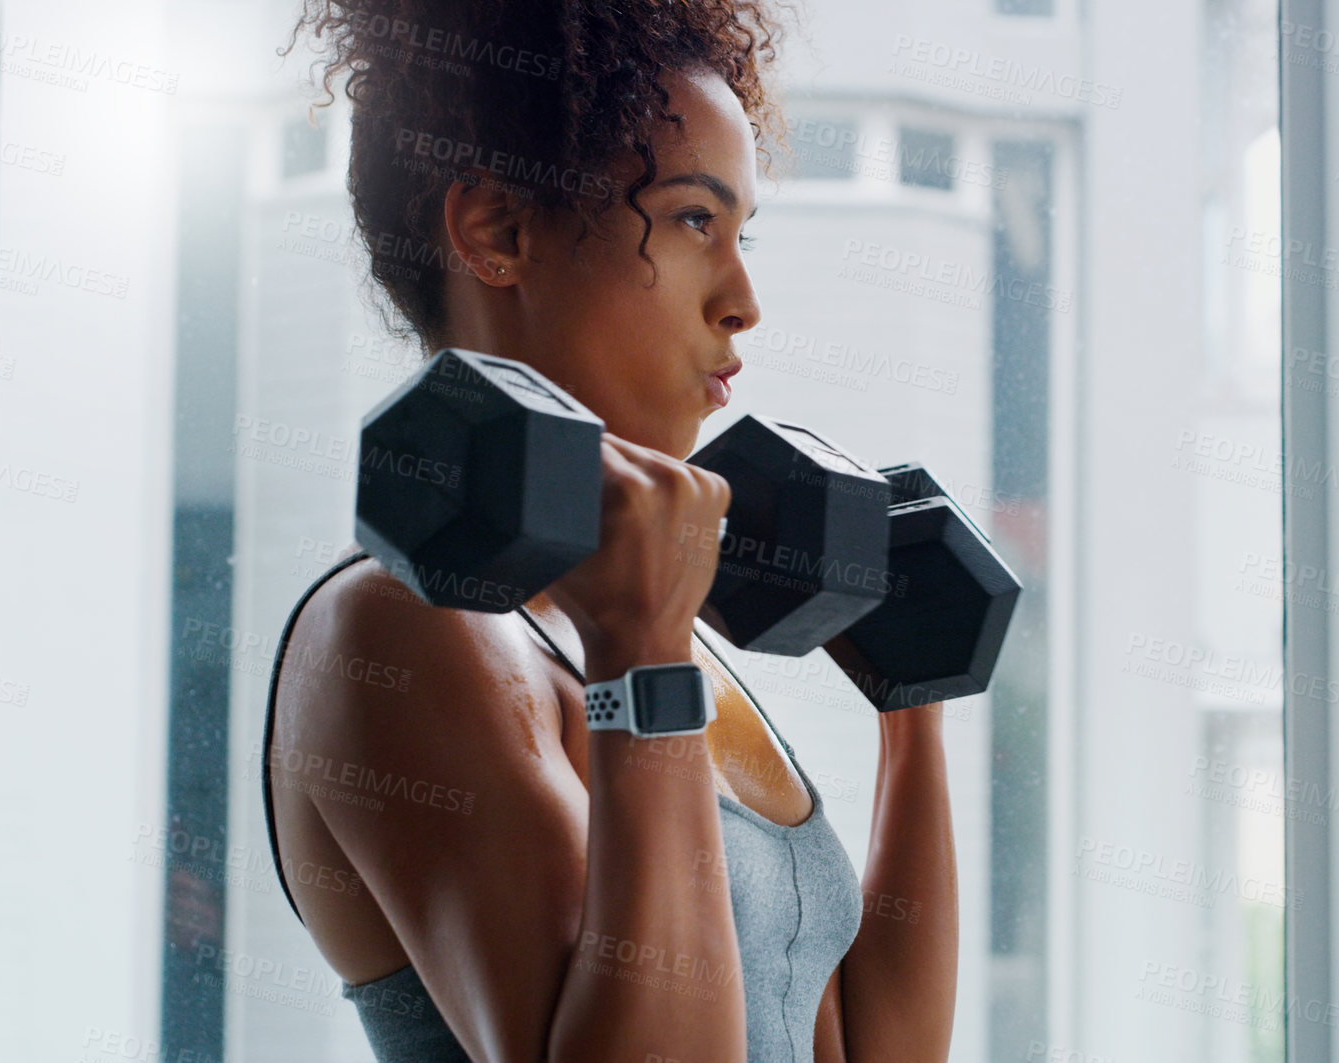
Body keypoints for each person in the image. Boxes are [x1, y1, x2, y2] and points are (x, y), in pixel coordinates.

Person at [260, 2, 958, 1062]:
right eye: (691, 221)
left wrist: (914, 708)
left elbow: (871, 1048)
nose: (742, 301)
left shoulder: (656, 617)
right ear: (495, 232)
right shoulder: (399, 632)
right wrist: (637, 650)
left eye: (740, 236)